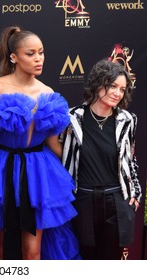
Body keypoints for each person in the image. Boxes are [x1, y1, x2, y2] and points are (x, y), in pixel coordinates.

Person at [0, 26, 80, 260]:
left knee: (33, 252)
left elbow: (53, 143)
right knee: (0, 250)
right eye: (30, 53)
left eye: (41, 52)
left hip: (38, 174)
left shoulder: (48, 92)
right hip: (0, 172)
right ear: (14, 57)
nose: (38, 58)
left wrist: (80, 166)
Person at [60, 59, 141, 260]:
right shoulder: (72, 118)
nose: (117, 93)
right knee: (85, 258)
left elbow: (130, 159)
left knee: (110, 262)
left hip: (116, 199)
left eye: (122, 89)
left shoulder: (127, 120)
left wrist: (135, 192)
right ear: (98, 83)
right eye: (112, 86)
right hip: (83, 198)